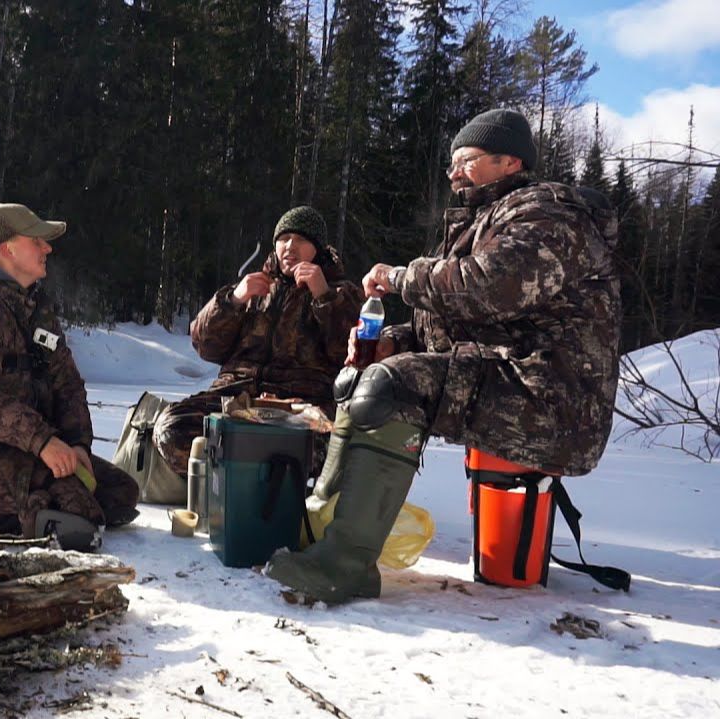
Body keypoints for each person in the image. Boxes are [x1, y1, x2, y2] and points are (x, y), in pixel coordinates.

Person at [264, 108, 621, 603]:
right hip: (508, 377)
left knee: (393, 387)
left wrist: (400, 276)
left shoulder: (550, 214)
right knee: (359, 379)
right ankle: (318, 529)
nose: (453, 173)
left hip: (551, 397)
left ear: (509, 161)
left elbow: (492, 288)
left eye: (466, 161)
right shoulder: (485, 221)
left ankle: (344, 566)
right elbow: (454, 325)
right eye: (452, 163)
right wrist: (393, 340)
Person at [0, 202, 140, 542]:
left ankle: (34, 502)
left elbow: (67, 384)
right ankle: (3, 516)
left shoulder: (33, 309)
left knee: (120, 492)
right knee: (76, 513)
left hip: (31, 450)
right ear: (6, 248)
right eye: (36, 240)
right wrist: (42, 442)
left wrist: (76, 444)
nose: (47, 247)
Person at [153, 206, 365, 476]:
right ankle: (240, 482)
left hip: (298, 408)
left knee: (325, 452)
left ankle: (246, 479)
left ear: (318, 249)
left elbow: (350, 357)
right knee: (172, 428)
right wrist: (232, 301)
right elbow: (204, 345)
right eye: (284, 238)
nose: (290, 246)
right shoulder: (254, 286)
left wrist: (323, 297)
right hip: (235, 399)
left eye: (301, 240)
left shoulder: (341, 293)